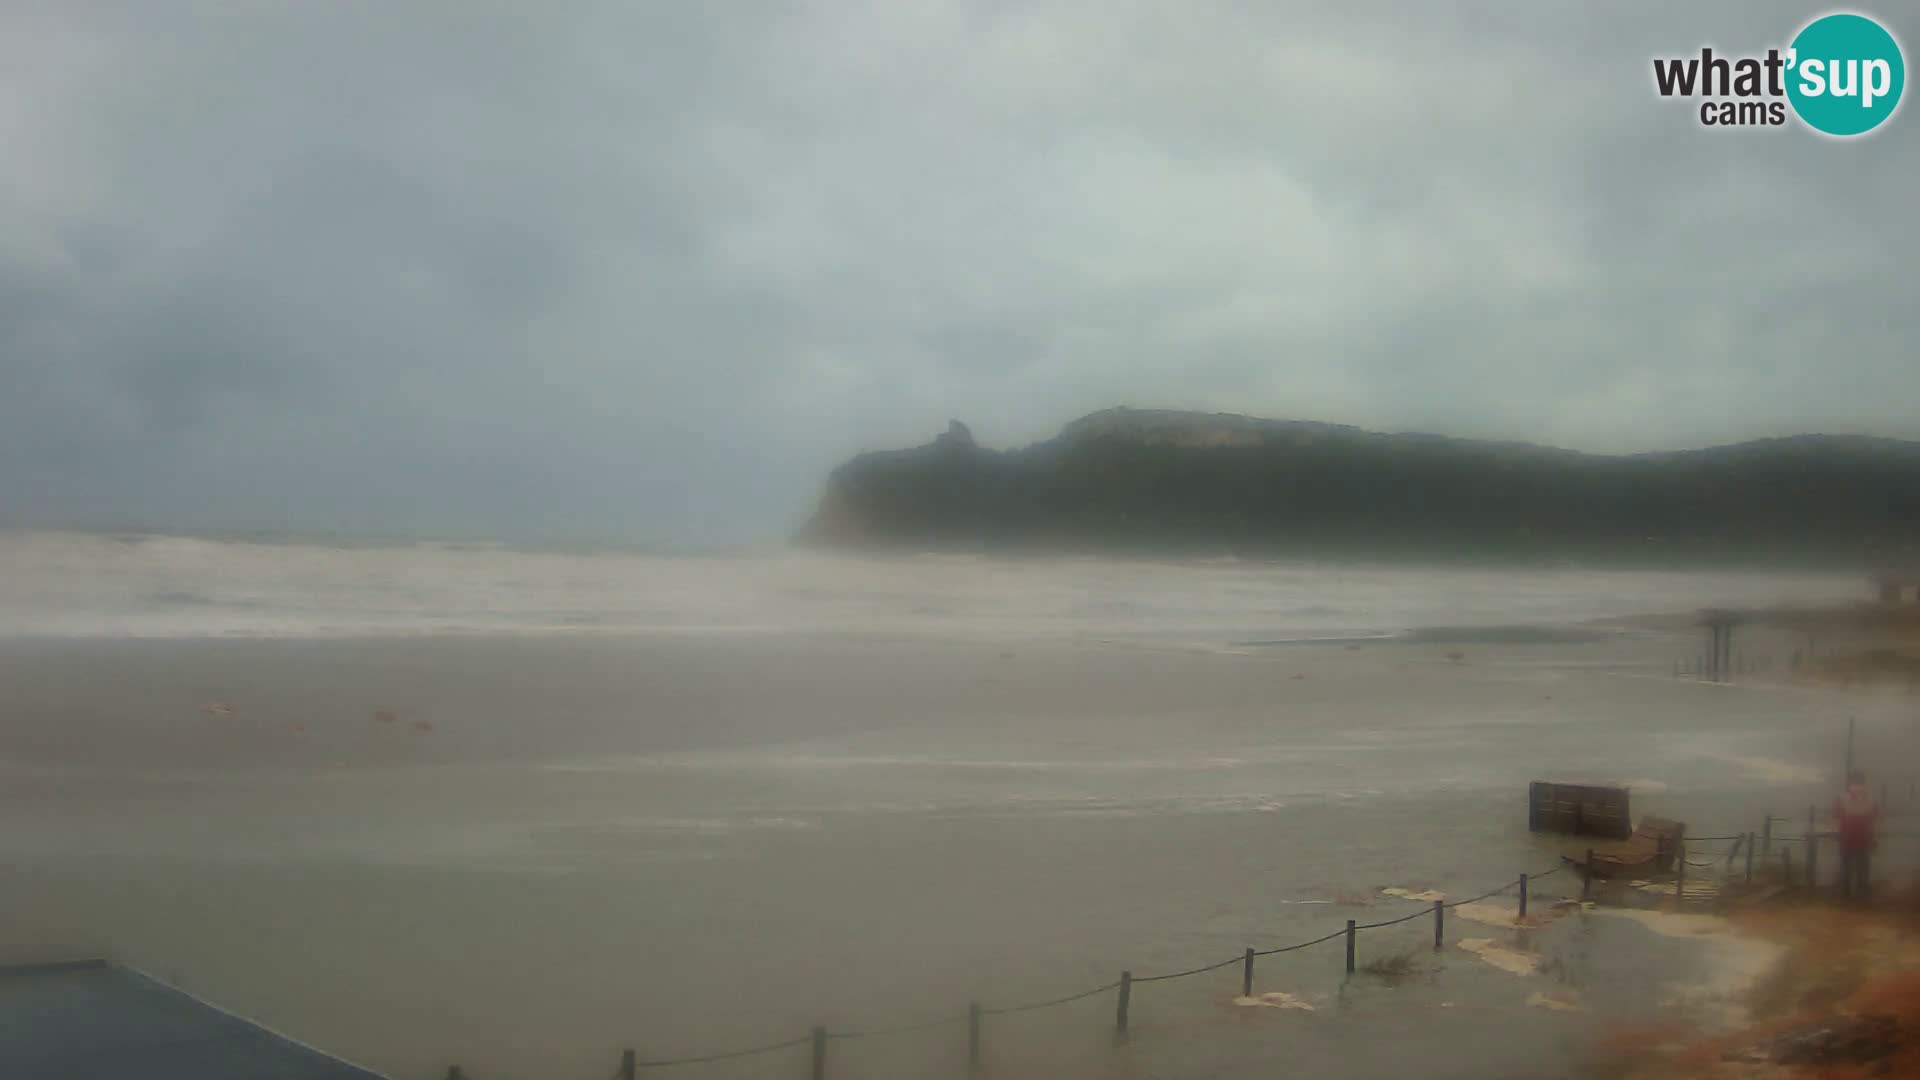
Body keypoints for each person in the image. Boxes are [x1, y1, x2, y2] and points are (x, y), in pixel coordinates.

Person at [1833, 770, 1879, 901]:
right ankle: (1854, 895)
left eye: (1858, 783)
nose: (1856, 786)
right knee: (1856, 868)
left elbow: (1836, 816)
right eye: (1855, 783)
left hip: (1854, 838)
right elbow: (1875, 819)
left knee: (1854, 867)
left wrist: (1873, 837)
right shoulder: (1870, 799)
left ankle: (1853, 895)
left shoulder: (1842, 798)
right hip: (1856, 838)